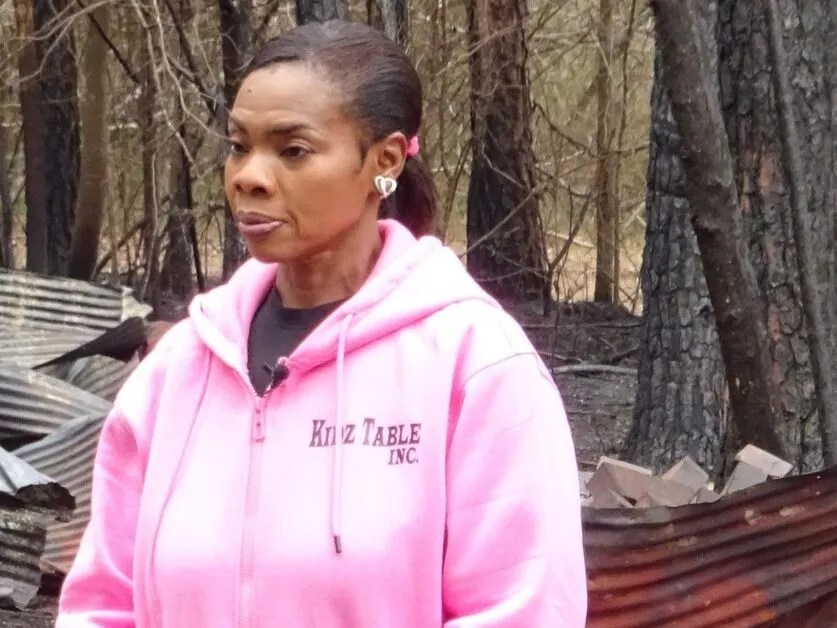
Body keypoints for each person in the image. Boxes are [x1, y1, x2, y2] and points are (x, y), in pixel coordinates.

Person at [55, 20, 587, 627]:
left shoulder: (475, 365)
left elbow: (524, 610)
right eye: (239, 146)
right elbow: (102, 605)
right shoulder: (178, 372)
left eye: (293, 151)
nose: (248, 176)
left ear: (384, 161)